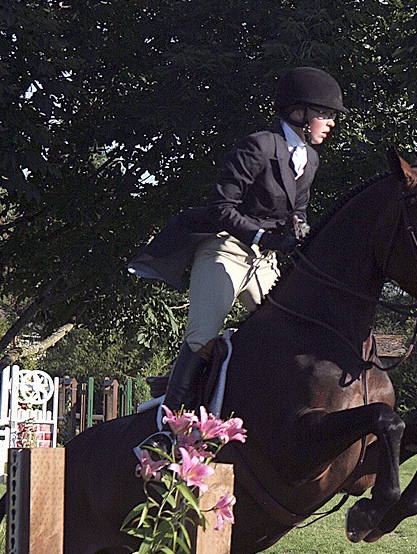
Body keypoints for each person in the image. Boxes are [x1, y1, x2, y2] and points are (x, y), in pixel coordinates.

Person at [128, 66, 347, 411]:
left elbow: (297, 211)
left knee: (288, 335)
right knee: (202, 337)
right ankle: (169, 423)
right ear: (299, 112)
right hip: (225, 249)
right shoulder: (259, 146)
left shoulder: (311, 159)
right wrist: (263, 235)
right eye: (325, 114)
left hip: (263, 261)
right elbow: (221, 207)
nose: (331, 122)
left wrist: (301, 229)